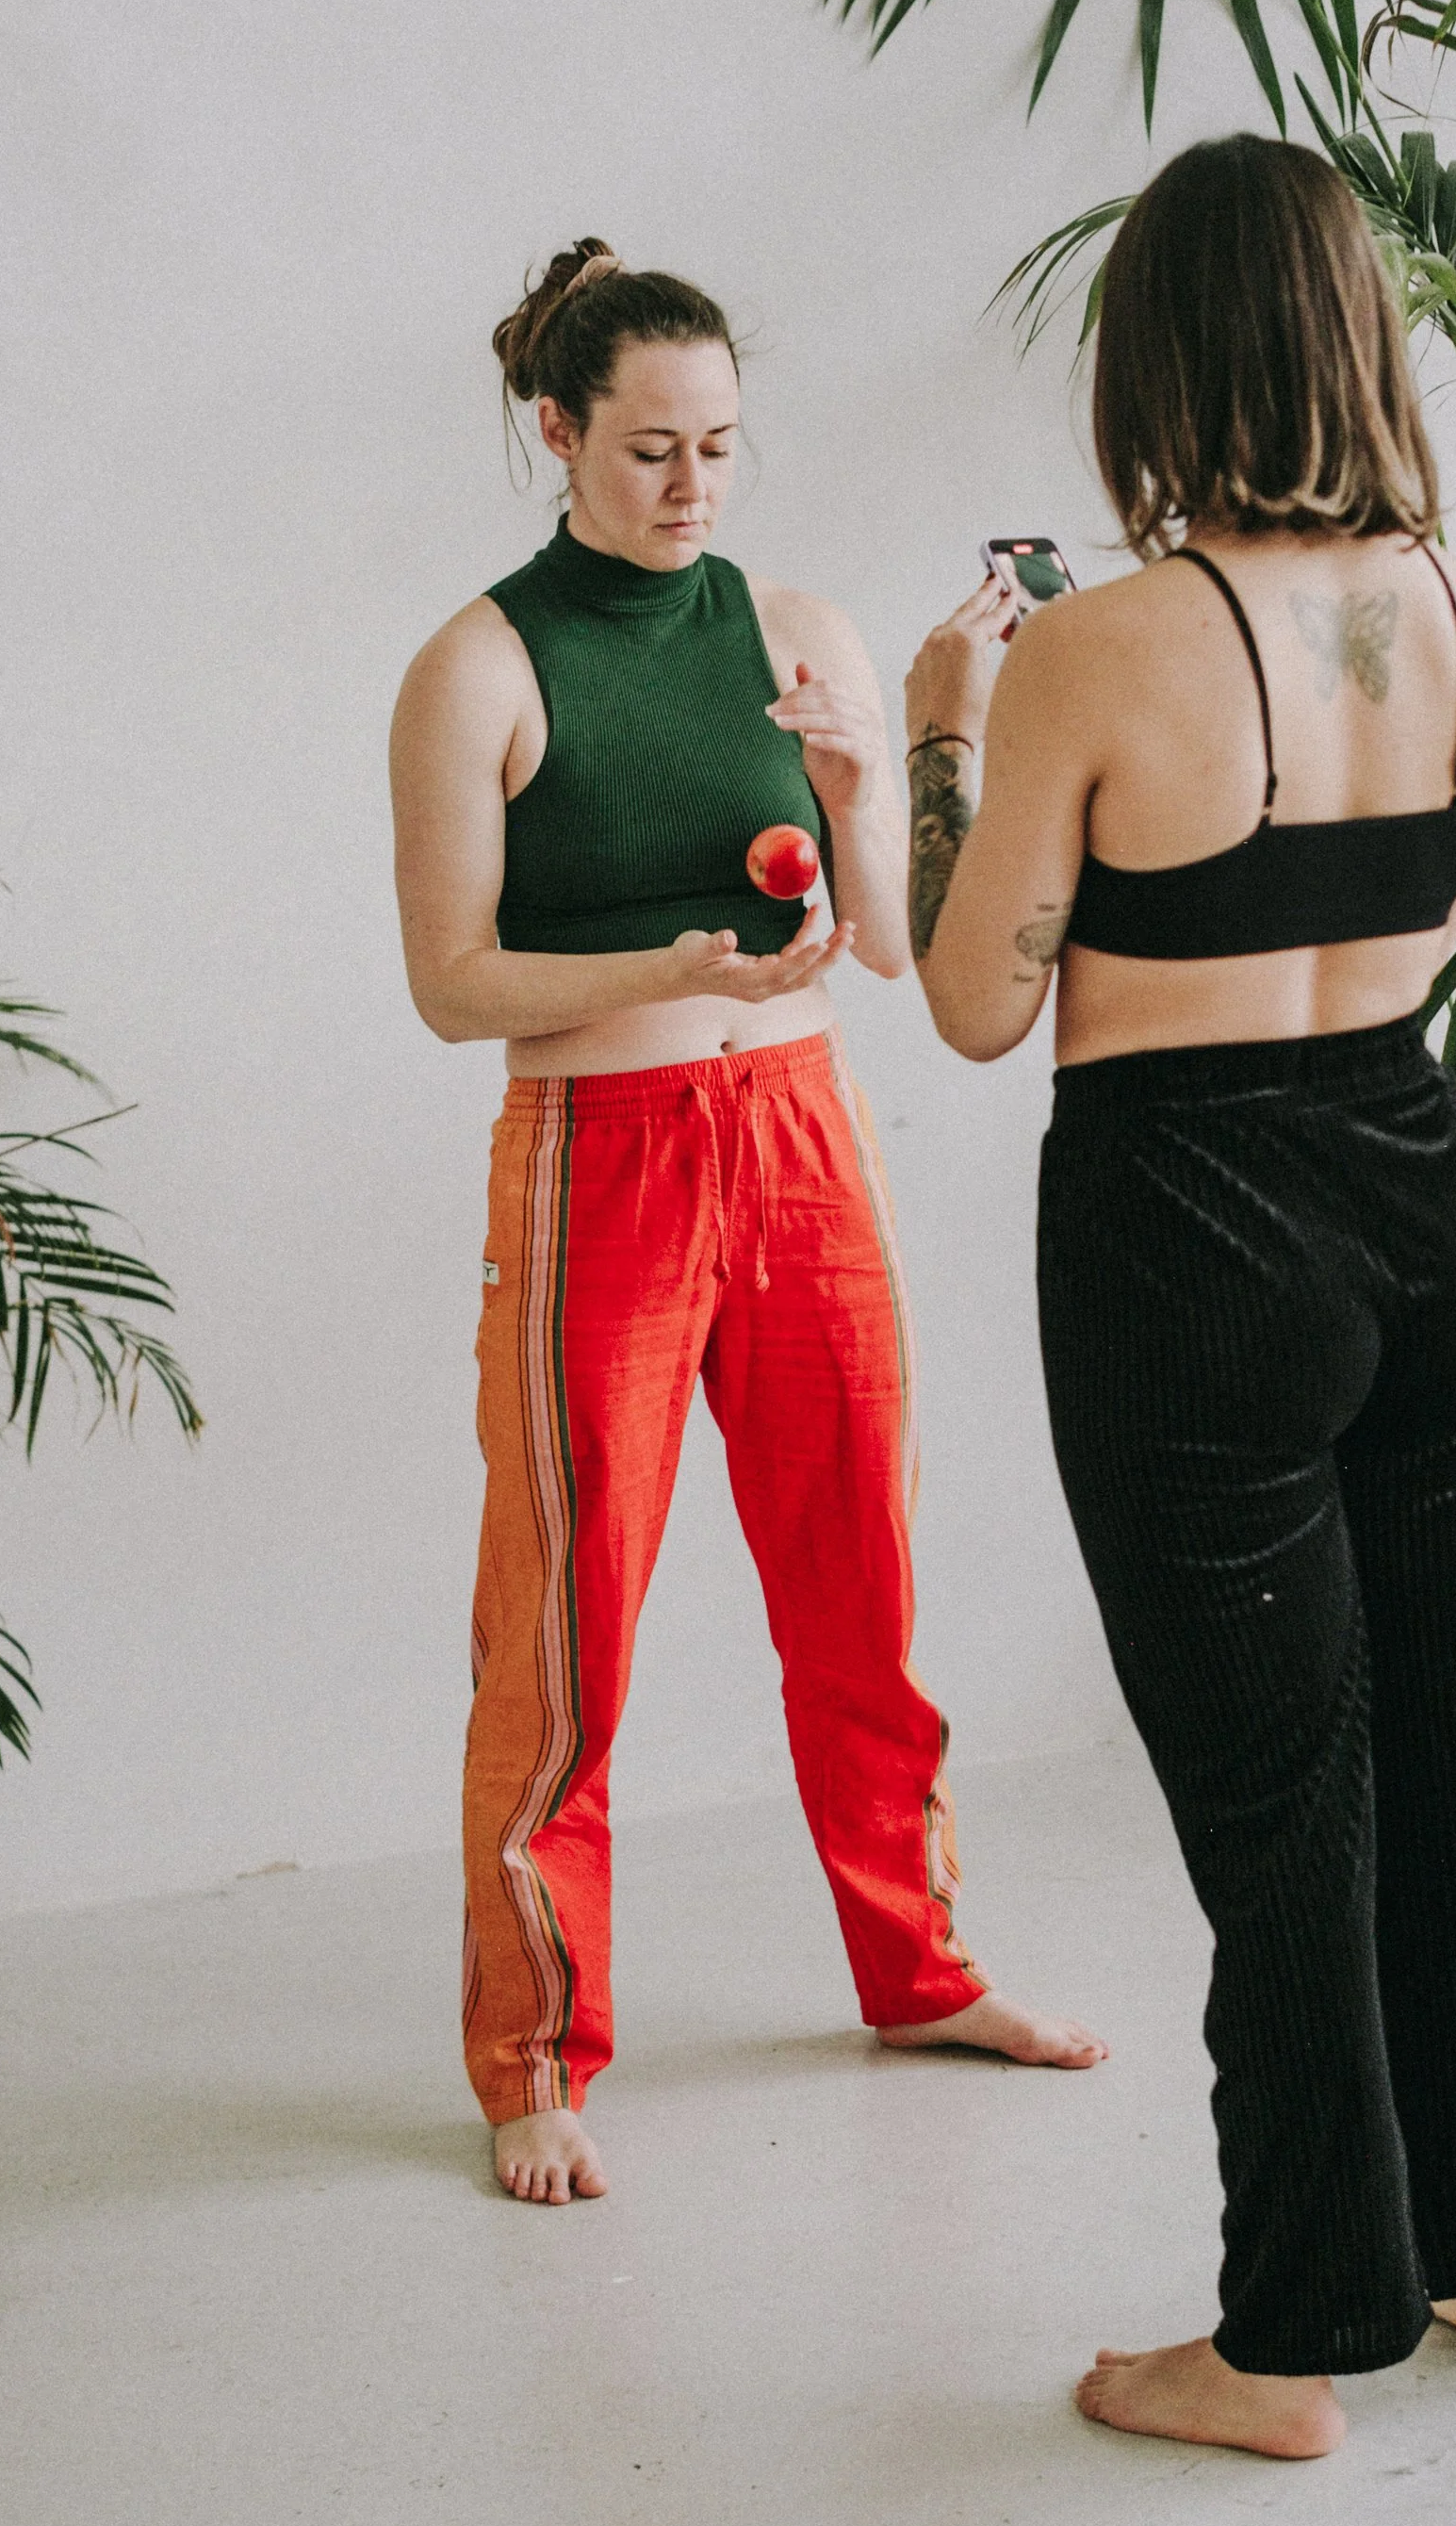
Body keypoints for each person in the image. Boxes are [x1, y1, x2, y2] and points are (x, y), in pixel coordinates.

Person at [900, 137, 1456, 2456]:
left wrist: (930, 734)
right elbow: (1439, 910)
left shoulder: (1102, 644)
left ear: (1154, 359)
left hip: (1185, 1235)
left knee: (1281, 1798)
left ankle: (1290, 2338)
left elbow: (974, 1007)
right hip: (1414, 1189)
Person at [392, 239, 1105, 2206]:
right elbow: (450, 980)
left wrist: (867, 772)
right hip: (593, 1152)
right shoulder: (478, 665)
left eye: (717, 445)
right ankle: (532, 2057)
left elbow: (880, 945)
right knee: (562, 1635)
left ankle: (919, 1965)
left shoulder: (797, 628)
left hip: (797, 1134)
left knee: (854, 1587)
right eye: (646, 450)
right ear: (552, 431)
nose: (691, 485)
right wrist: (663, 964)